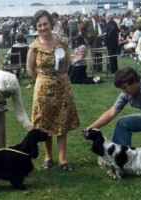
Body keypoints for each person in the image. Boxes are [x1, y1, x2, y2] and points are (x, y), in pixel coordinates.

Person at [26, 10, 80, 171]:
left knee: (63, 122)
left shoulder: (63, 42)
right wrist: (42, 80)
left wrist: (58, 77)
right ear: (36, 27)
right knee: (44, 124)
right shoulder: (34, 46)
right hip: (42, 88)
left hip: (62, 86)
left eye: (45, 24)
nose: (43, 28)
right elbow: (30, 68)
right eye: (39, 25)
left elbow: (68, 64)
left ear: (51, 24)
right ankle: (48, 157)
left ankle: (63, 159)